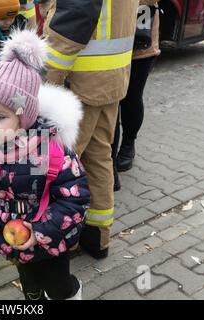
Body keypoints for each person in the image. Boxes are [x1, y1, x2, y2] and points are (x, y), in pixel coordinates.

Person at [0, 30, 90, 300]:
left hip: (49, 241)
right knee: (31, 286)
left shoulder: (51, 152)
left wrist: (41, 233)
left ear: (23, 116)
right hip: (11, 240)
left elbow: (75, 200)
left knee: (58, 287)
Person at [44, 0, 139, 259]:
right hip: (112, 77)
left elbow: (75, 15)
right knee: (99, 157)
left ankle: (63, 241)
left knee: (60, 166)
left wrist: (47, 79)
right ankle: (97, 237)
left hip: (78, 83)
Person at [112, 0, 161, 190]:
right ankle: (109, 157)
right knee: (111, 103)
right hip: (111, 45)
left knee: (131, 98)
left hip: (140, 46)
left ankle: (128, 144)